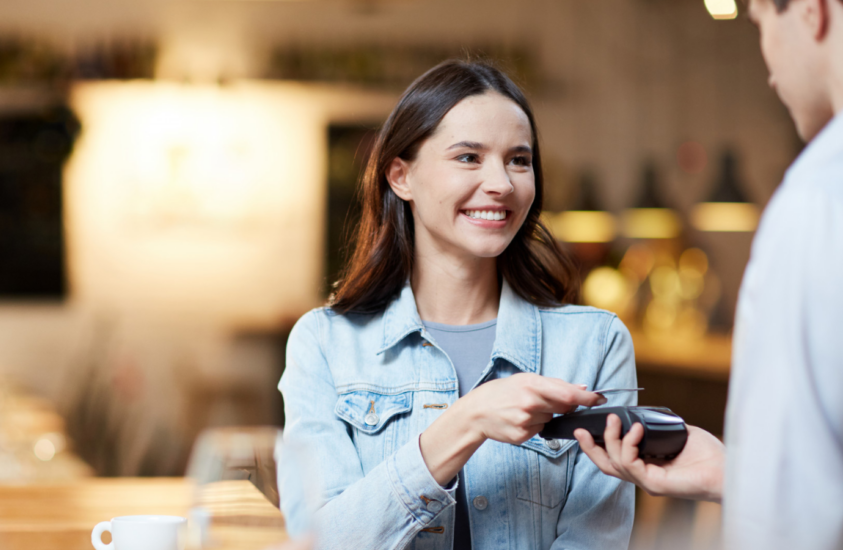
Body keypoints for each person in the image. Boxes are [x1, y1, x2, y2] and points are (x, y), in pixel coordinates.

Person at [277, 60, 638, 550]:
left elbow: (595, 539)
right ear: (401, 177)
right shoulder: (324, 343)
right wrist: (467, 421)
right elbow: (318, 542)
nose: (502, 184)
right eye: (469, 157)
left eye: (518, 160)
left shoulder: (595, 344)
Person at [575, 0, 843, 547]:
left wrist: (760, 486)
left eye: (761, 25)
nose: (766, 62)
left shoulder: (816, 201)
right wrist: (732, 473)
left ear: (812, 14)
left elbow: (790, 521)